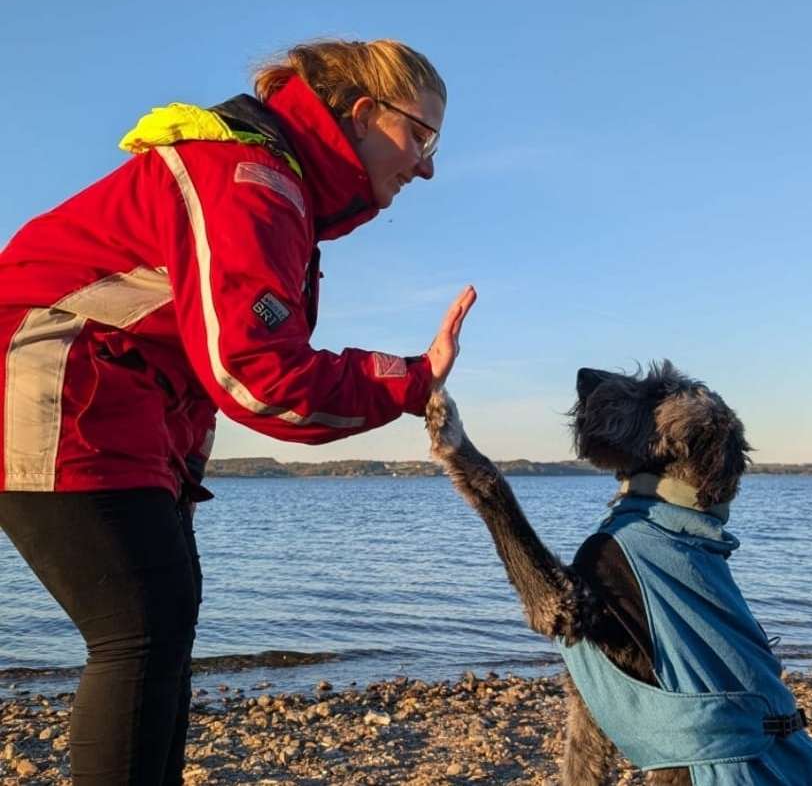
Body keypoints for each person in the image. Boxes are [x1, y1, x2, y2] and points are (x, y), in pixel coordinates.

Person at [0, 38, 476, 785]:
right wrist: (411, 380)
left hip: (111, 401)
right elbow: (256, 373)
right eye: (421, 134)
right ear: (362, 113)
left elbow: (195, 359)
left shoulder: (271, 182)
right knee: (140, 629)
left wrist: (180, 466)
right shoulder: (249, 177)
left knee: (160, 626)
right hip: (52, 386)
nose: (428, 165)